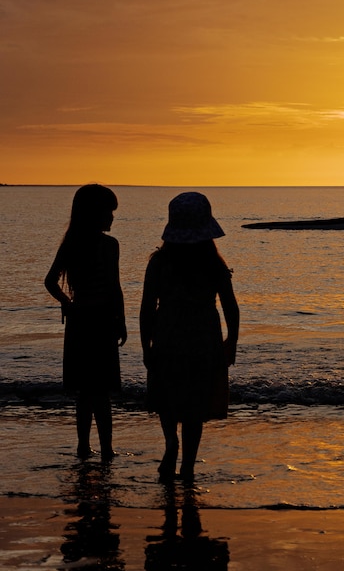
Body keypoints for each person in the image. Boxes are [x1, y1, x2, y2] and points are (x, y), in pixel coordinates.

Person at [140, 192, 240, 483]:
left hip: (168, 331)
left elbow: (147, 307)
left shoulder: (159, 262)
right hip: (203, 334)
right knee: (195, 404)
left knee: (168, 395)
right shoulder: (213, 263)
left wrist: (146, 345)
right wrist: (231, 340)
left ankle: (171, 441)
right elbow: (231, 306)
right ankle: (189, 465)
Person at [45, 184, 127, 461]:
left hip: (80, 322)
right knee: (101, 392)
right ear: (95, 213)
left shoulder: (72, 243)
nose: (112, 218)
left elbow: (50, 282)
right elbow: (115, 288)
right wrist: (121, 320)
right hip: (100, 321)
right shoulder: (108, 245)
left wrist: (67, 303)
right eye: (109, 211)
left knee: (85, 392)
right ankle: (105, 449)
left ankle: (84, 446)